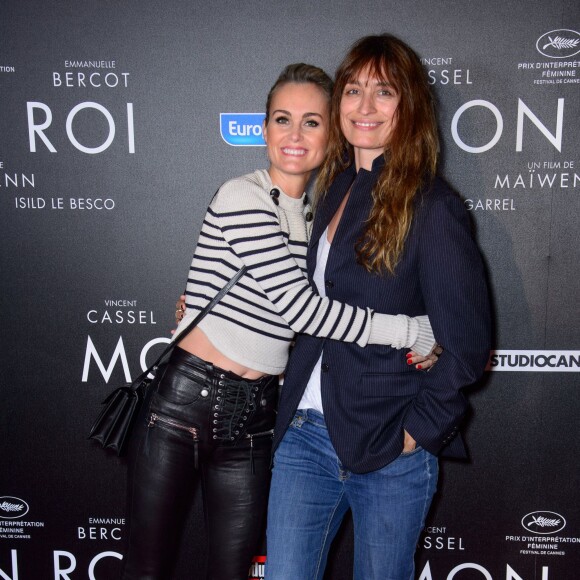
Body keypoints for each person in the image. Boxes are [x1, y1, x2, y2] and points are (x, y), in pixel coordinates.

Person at [121, 63, 437, 580]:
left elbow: (298, 323)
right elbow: (299, 308)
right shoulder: (241, 195)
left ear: (331, 132)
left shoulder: (320, 216)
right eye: (282, 119)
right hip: (184, 406)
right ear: (264, 128)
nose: (294, 135)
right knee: (146, 568)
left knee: (234, 570)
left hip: (257, 418)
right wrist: (409, 329)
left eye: (311, 122)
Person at [265, 34, 491, 580]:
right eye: (353, 89)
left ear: (408, 105)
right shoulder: (336, 185)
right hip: (304, 435)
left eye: (383, 92)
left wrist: (416, 434)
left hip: (392, 449)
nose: (364, 107)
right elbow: (299, 299)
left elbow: (467, 347)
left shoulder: (433, 206)